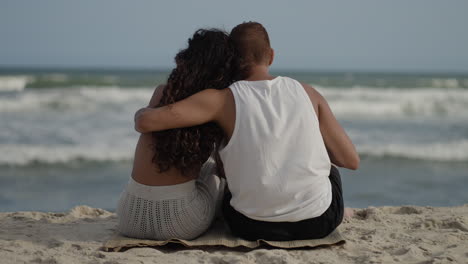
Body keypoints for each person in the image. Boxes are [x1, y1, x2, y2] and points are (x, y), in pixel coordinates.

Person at [134, 22, 359, 241]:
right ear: (271, 55)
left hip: (249, 226)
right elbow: (350, 160)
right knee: (330, 170)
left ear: (232, 61)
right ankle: (340, 211)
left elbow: (146, 122)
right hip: (318, 223)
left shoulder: (221, 100)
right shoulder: (308, 93)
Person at [116, 29, 238, 240]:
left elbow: (142, 122)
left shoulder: (162, 92)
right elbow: (225, 169)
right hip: (180, 223)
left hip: (129, 217)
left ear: (187, 58)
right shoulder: (218, 102)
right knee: (213, 171)